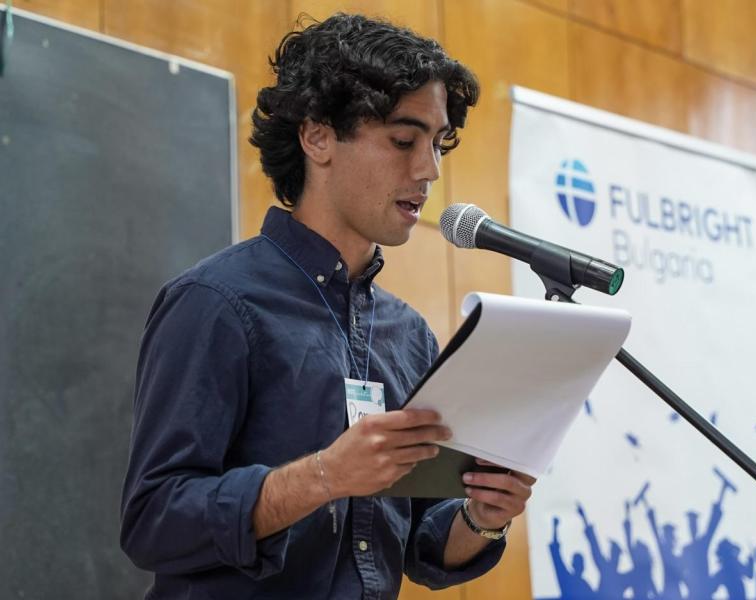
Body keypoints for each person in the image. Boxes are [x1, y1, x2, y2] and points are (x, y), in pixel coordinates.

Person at [119, 13, 535, 600]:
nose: (430, 170)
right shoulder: (215, 302)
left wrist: (482, 517)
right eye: (404, 140)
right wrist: (324, 477)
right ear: (317, 138)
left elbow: (422, 543)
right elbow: (154, 521)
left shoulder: (409, 333)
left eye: (438, 144)